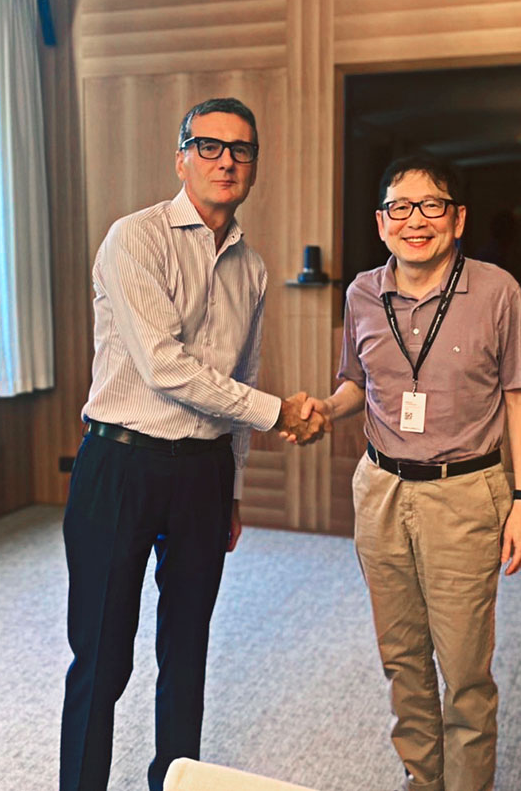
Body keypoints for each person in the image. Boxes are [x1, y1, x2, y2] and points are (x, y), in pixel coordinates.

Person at [60, 97, 328, 791]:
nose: (225, 161)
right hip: (121, 462)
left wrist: (231, 490)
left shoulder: (253, 267)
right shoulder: (135, 238)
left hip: (204, 475)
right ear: (181, 158)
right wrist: (279, 414)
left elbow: (241, 378)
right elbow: (166, 368)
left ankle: (174, 784)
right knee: (102, 656)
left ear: (254, 167)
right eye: (209, 146)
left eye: (241, 150)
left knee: (187, 653)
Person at [300, 155, 521, 791]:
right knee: (402, 656)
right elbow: (357, 384)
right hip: (381, 489)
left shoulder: (497, 291)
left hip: (465, 493)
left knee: (464, 668)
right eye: (400, 208)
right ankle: (422, 778)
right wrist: (326, 408)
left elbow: (519, 398)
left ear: (457, 219)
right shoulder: (361, 294)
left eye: (431, 206)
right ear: (382, 223)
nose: (415, 220)